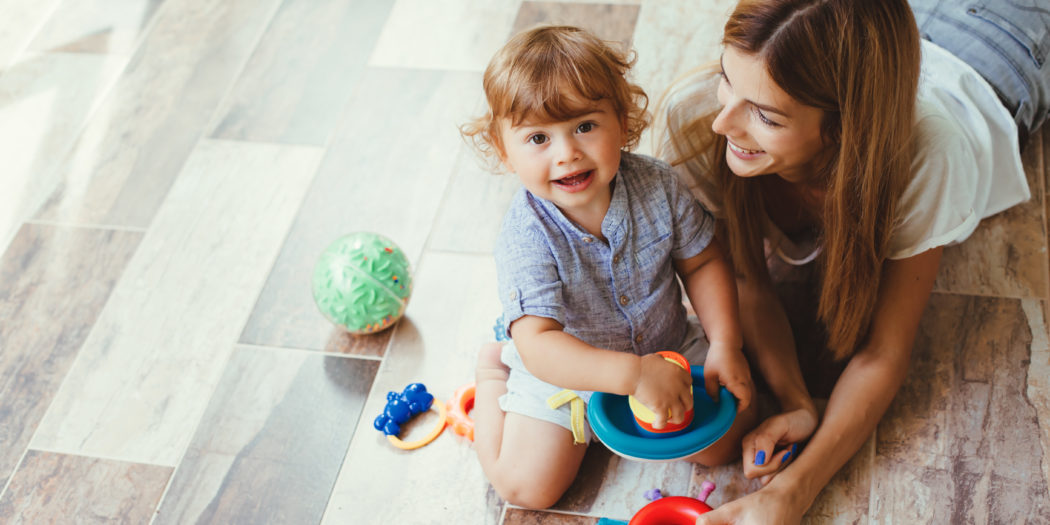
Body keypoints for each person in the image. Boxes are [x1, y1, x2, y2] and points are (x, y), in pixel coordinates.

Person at [656, 0, 1049, 523]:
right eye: (728, 78)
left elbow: (884, 352)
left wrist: (790, 492)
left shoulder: (929, 155)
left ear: (843, 132)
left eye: (766, 115)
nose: (723, 122)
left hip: (1000, 39)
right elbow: (746, 278)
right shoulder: (698, 115)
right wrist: (797, 401)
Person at [460, 25, 758, 509]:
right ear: (503, 150)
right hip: (561, 372)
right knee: (527, 488)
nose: (567, 153)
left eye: (584, 126)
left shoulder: (658, 185)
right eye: (538, 137)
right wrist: (632, 377)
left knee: (728, 437)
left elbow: (703, 261)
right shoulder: (525, 235)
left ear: (622, 120)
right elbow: (540, 343)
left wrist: (725, 342)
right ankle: (494, 371)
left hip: (667, 346)